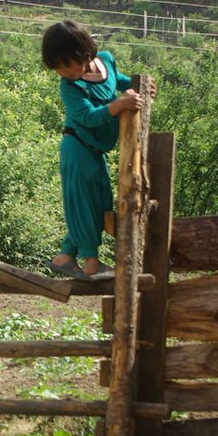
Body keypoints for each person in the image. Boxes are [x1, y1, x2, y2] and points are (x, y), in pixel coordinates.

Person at [41, 20, 149, 280]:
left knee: (100, 202)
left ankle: (66, 255)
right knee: (85, 203)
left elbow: (118, 81)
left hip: (93, 151)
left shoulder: (106, 61)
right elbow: (88, 117)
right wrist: (120, 105)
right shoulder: (71, 87)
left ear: (84, 53)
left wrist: (140, 87)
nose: (63, 72)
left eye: (67, 64)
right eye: (58, 68)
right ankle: (90, 262)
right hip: (77, 147)